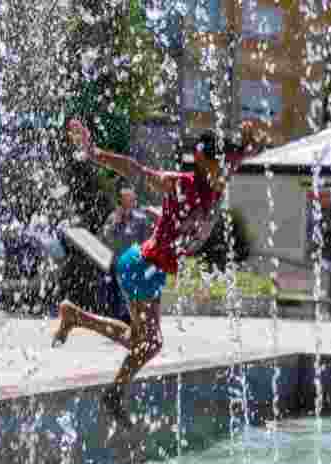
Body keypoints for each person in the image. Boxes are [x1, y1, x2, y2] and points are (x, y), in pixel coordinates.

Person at [52, 117, 267, 416]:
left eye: (226, 166)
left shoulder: (220, 174)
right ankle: (113, 390)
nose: (224, 173)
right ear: (203, 160)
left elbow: (249, 150)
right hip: (140, 265)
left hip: (153, 272)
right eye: (218, 166)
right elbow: (135, 170)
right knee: (149, 343)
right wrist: (94, 152)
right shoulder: (179, 184)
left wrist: (254, 137)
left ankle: (76, 318)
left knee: (142, 341)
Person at [100, 180, 153, 323]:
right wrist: (116, 223)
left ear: (134, 201)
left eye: (130, 199)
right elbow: (105, 238)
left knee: (131, 296)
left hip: (133, 264)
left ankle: (132, 322)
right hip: (116, 264)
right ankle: (120, 323)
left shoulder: (141, 219)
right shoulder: (113, 218)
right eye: (124, 200)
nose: (127, 203)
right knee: (115, 297)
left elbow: (146, 242)